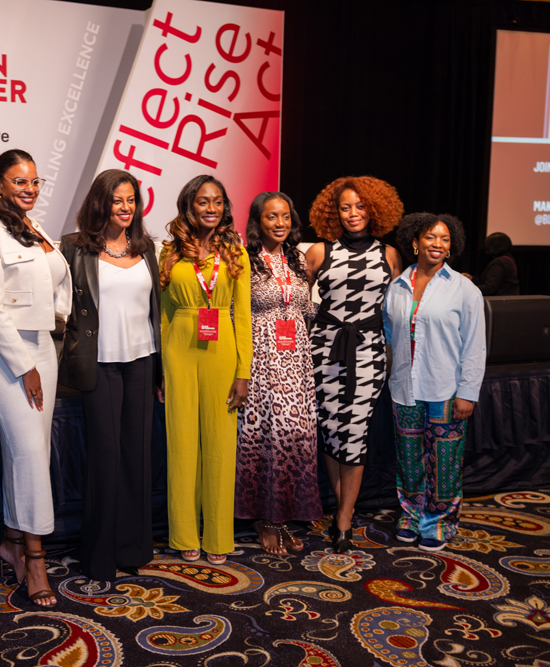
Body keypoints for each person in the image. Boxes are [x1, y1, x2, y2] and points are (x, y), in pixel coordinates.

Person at [0, 149, 72, 606]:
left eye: (35, 181)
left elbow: (57, 278)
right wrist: (24, 365)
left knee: (32, 451)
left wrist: (59, 317)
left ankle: (10, 540)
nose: (29, 189)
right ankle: (35, 557)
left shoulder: (32, 227)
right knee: (28, 450)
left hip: (41, 344)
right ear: (0, 184)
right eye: (19, 181)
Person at [59, 169, 158, 581]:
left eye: (131, 200)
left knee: (137, 455)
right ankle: (99, 555)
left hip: (142, 361)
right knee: (105, 456)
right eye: (117, 200)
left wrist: (161, 372)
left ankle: (132, 548)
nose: (125, 207)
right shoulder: (74, 248)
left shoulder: (146, 247)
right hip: (99, 363)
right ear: (101, 202)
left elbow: (154, 311)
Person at [305, 176, 403, 552]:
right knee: (331, 430)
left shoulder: (389, 254)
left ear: (373, 209)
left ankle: (344, 518)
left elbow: (398, 308)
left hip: (368, 352)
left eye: (360, 206)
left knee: (355, 433)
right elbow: (296, 300)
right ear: (334, 212)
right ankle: (342, 506)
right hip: (324, 351)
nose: (353, 213)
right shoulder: (319, 252)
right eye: (345, 207)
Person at [159, 174, 251, 565]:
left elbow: (242, 315)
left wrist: (243, 372)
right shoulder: (170, 251)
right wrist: (161, 371)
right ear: (189, 205)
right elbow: (163, 315)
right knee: (181, 444)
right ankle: (183, 533)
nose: (211, 208)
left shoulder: (235, 251)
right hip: (179, 349)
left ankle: (217, 535)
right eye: (202, 201)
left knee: (219, 444)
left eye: (217, 201)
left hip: (221, 349)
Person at [383, 212, 486, 551]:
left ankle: (440, 521)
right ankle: (411, 515)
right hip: (404, 388)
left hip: (445, 389)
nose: (437, 244)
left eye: (444, 239)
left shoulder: (464, 289)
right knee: (409, 458)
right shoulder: (397, 287)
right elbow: (389, 335)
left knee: (444, 462)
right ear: (415, 242)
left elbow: (475, 345)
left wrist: (467, 393)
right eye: (430, 237)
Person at [235, 192, 321, 555]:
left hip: (297, 362)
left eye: (285, 216)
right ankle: (265, 519)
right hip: (261, 360)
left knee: (296, 435)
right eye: (272, 216)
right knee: (267, 436)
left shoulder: (298, 259)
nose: (280, 223)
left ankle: (283, 514)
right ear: (258, 221)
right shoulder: (244, 259)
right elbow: (235, 310)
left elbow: (304, 307)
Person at [467, 232, 518, 296]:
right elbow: (487, 281)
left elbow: (489, 288)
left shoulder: (499, 263)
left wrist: (468, 289)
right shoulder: (508, 259)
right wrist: (472, 278)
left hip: (500, 300)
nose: (486, 249)